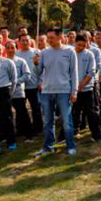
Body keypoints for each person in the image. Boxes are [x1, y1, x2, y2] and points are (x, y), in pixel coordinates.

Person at [35, 28, 79, 157]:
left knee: (66, 120)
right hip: (47, 91)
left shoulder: (70, 51)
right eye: (48, 38)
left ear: (60, 37)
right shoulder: (43, 52)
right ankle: (48, 146)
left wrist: (74, 91)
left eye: (51, 38)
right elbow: (38, 72)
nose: (48, 40)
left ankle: (70, 145)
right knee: (48, 121)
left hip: (64, 91)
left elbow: (74, 73)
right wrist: (36, 64)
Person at [71, 33, 101, 142]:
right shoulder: (70, 54)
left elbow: (91, 72)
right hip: (74, 90)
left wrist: (82, 84)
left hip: (88, 89)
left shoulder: (89, 54)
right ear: (75, 43)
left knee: (91, 112)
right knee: (75, 111)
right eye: (78, 45)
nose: (80, 47)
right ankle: (74, 130)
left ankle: (96, 134)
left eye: (83, 46)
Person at [0, 42, 19, 150]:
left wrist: (10, 92)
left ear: (2, 50)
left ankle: (11, 141)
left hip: (4, 91)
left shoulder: (8, 62)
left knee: (6, 116)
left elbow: (14, 79)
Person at [14, 34, 42, 137]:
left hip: (33, 85)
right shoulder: (16, 54)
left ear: (30, 41)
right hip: (20, 86)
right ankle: (21, 128)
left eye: (27, 40)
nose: (25, 42)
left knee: (35, 107)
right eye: (23, 40)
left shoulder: (36, 52)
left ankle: (38, 128)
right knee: (20, 109)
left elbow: (42, 70)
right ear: (19, 42)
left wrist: (41, 82)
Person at [7, 43, 33, 141]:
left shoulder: (21, 61)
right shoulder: (3, 62)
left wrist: (15, 82)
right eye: (8, 48)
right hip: (6, 93)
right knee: (8, 114)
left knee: (22, 113)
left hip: (18, 92)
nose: (10, 50)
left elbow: (27, 75)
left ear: (16, 49)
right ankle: (16, 132)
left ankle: (29, 134)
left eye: (12, 48)